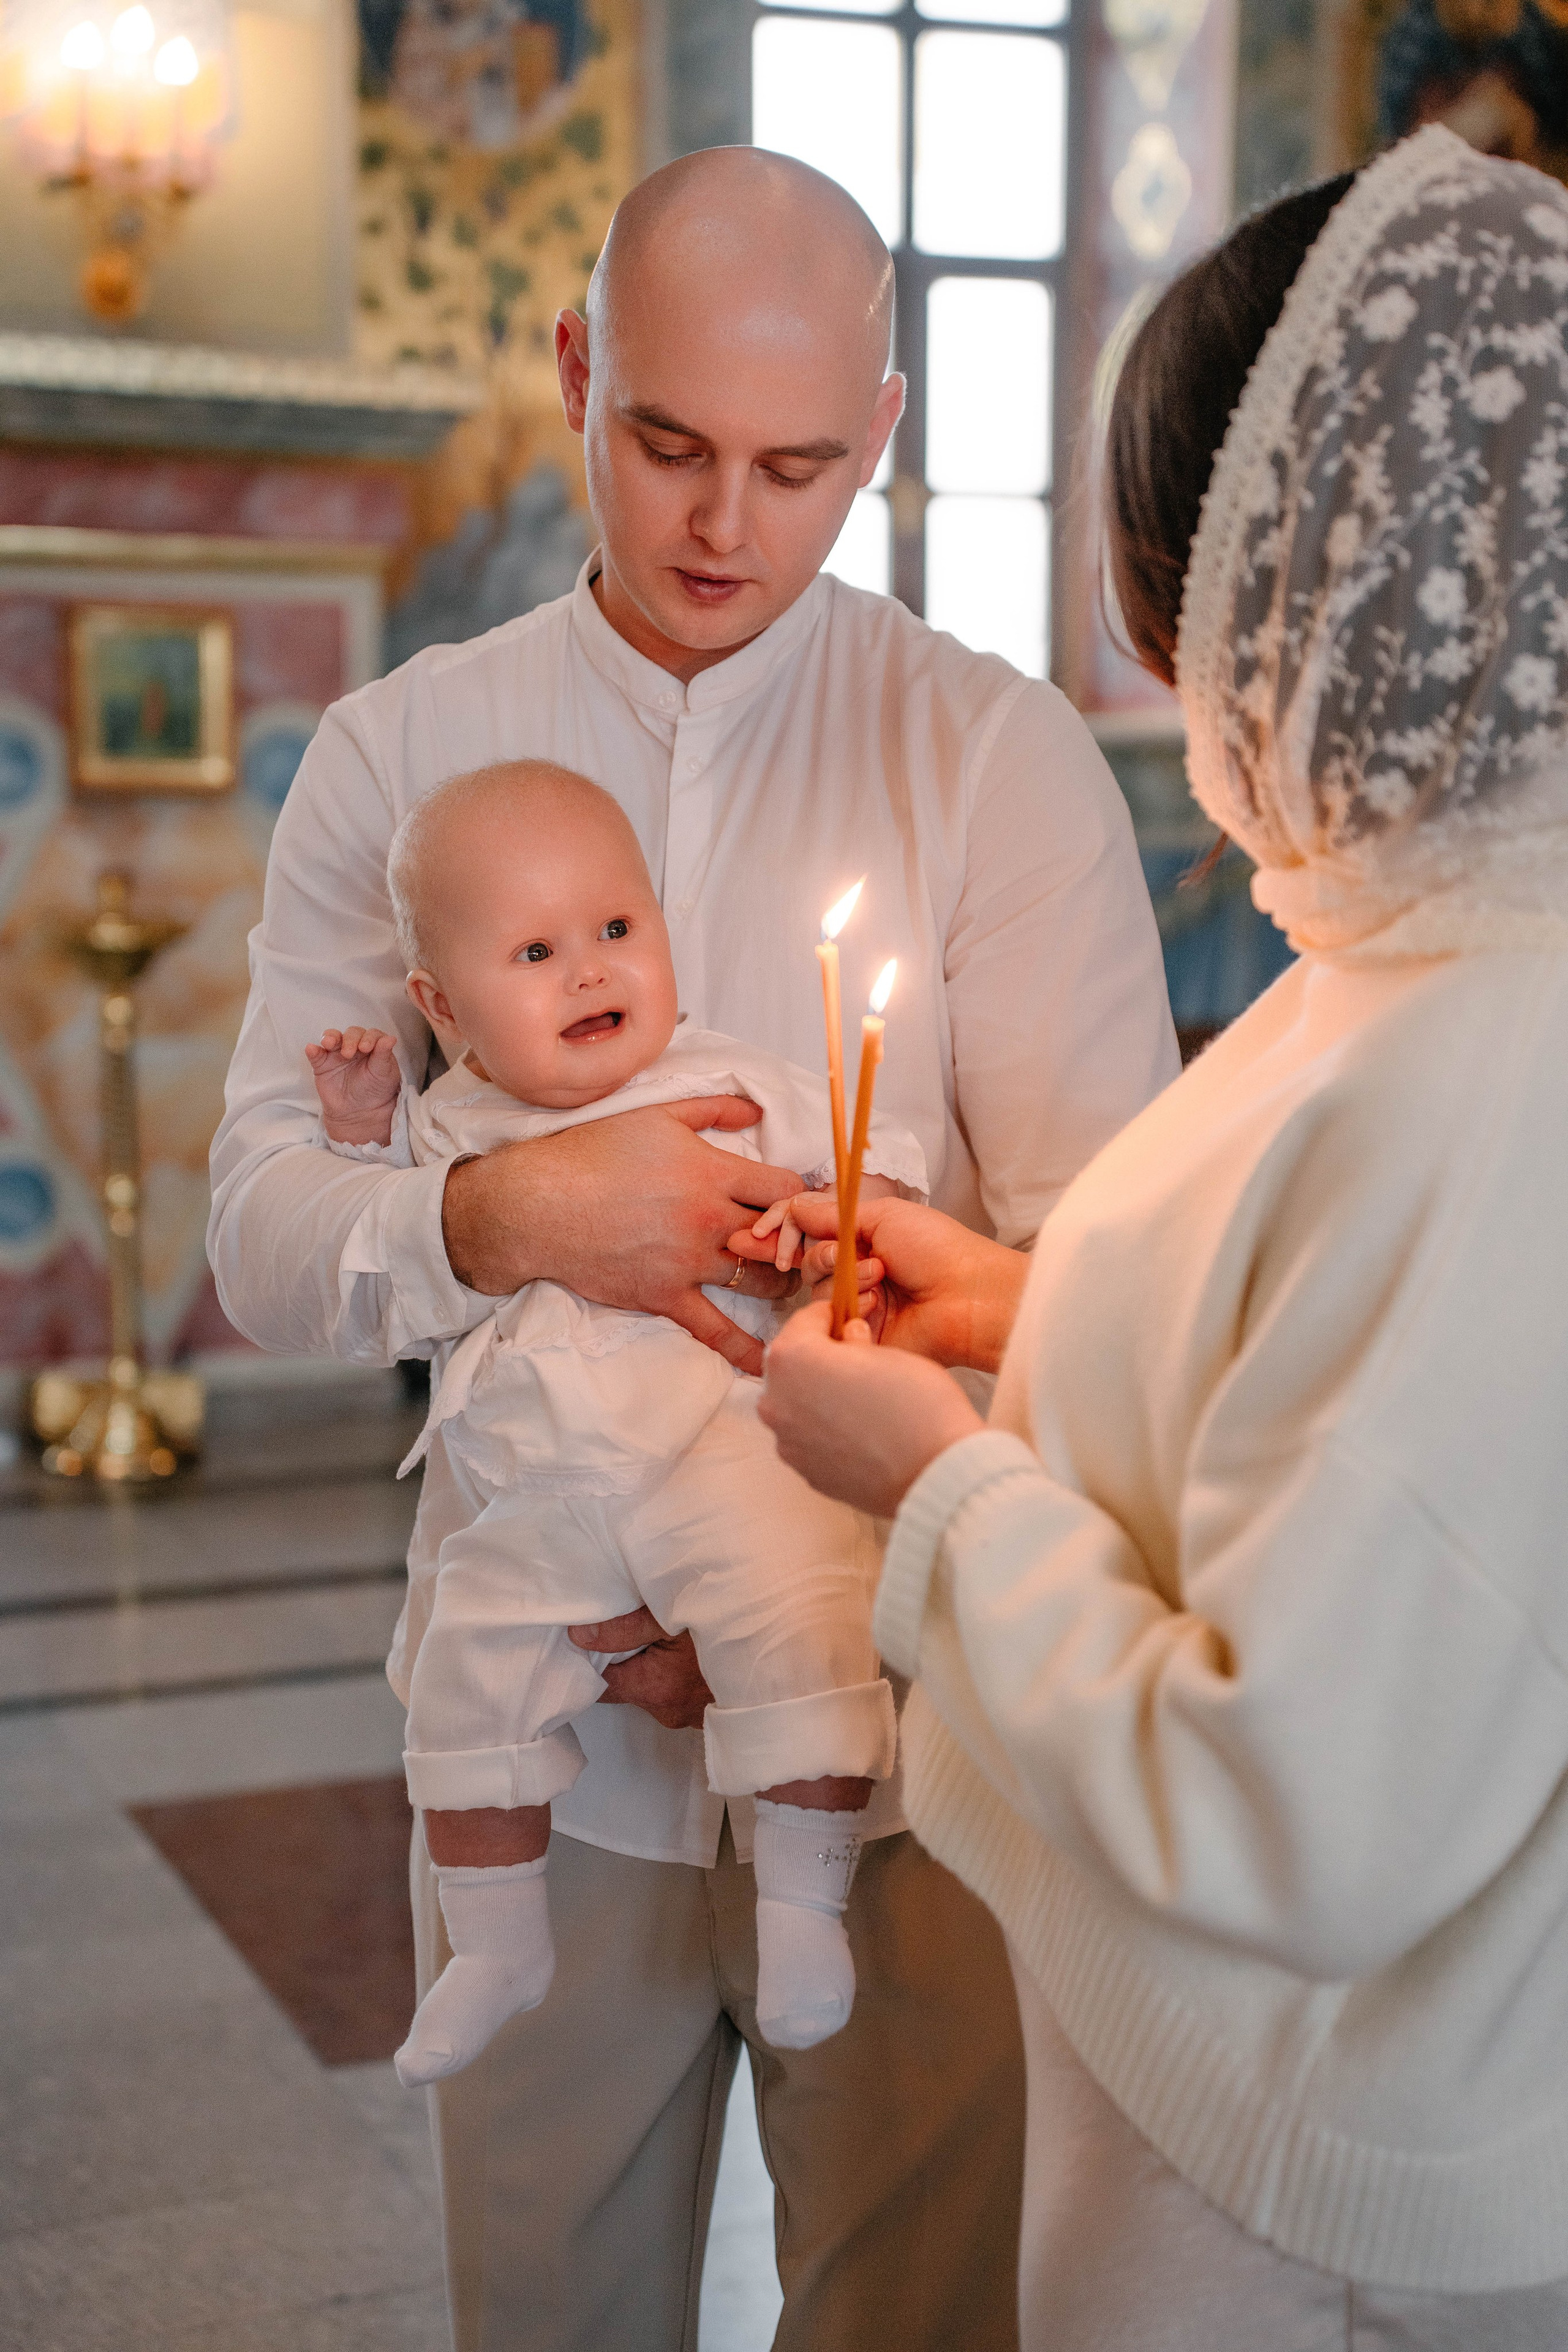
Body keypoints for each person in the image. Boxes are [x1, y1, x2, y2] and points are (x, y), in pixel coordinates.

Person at [208, 145, 1177, 2350]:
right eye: (666, 444)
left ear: (887, 439)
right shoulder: (400, 755)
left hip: (917, 1751)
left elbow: (1107, 1292)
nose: (725, 525)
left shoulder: (991, 758)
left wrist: (788, 1565)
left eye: (799, 465)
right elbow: (267, 1233)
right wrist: (507, 1206)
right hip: (546, 1765)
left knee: (914, 2315)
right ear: (574, 373)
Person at [760, 126, 1568, 2348]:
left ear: (1290, 577)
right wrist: (1025, 1311)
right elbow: (1353, 1416)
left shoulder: (1510, 1048)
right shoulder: (1416, 927)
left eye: (1159, 596)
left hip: (1313, 2203)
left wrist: (933, 1482)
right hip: (1243, 2121)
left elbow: (1304, 1800)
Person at [306, 758, 920, 2081]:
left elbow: (872, 1170)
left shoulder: (735, 1082)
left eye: (616, 932)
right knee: (464, 1668)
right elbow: (387, 1267)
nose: (590, 971)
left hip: (717, 1443)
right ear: (444, 1005)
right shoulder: (454, 1125)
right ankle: (495, 1941)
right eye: (534, 951)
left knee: (804, 1613)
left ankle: (803, 1910)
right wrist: (363, 1134)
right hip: (533, 1483)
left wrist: (818, 1219)